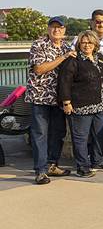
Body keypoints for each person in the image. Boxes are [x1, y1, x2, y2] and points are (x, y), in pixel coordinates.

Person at [26, 16, 75, 184]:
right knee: (40, 134)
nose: (56, 30)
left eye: (60, 28)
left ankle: (52, 165)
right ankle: (40, 171)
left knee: (58, 133)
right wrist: (63, 58)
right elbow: (39, 69)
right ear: (48, 29)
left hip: (59, 98)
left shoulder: (68, 47)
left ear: (64, 30)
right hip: (40, 97)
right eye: (53, 27)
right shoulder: (38, 45)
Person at [57, 30, 103, 178]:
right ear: (79, 44)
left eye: (90, 42)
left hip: (101, 105)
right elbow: (64, 82)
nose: (87, 45)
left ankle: (97, 161)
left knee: (98, 135)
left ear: (95, 44)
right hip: (81, 106)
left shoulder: (101, 59)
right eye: (83, 42)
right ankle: (82, 167)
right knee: (80, 137)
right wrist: (66, 102)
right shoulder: (73, 61)